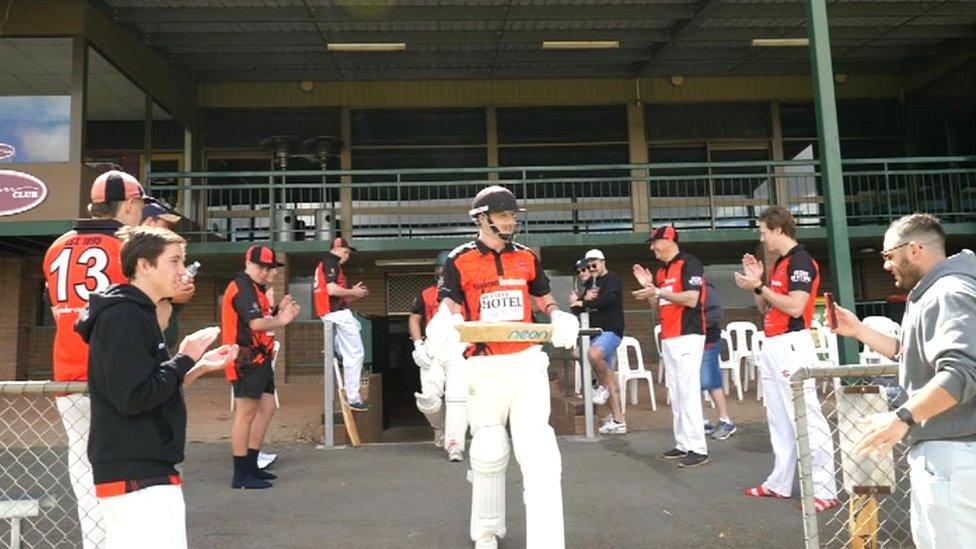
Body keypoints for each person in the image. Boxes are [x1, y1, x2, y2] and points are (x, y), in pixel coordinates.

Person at [424, 185, 579, 549]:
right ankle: (487, 532)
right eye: (504, 215)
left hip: (526, 362)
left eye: (513, 215)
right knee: (489, 448)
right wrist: (444, 323)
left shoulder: (526, 257)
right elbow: (450, 302)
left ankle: (547, 542)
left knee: (540, 451)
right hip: (484, 365)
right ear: (482, 218)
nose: (511, 221)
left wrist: (559, 315)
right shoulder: (459, 259)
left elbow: (541, 296)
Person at [74, 226, 237, 549]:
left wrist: (197, 364)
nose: (183, 270)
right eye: (174, 261)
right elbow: (133, 397)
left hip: (143, 471)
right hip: (137, 474)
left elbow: (148, 385)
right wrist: (185, 357)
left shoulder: (135, 312)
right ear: (144, 266)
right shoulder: (124, 315)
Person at [832, 214, 976, 548]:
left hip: (955, 455)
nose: (885, 265)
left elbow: (963, 372)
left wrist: (902, 417)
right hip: (952, 454)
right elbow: (912, 354)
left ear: (913, 249)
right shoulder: (940, 289)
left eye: (888, 255)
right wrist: (860, 332)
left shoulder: (947, 293)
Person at [42, 170, 150, 549]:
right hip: (114, 371)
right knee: (128, 465)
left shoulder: (57, 246)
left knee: (83, 464)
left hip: (66, 369)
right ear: (130, 204)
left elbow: (56, 305)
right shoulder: (128, 243)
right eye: (138, 207)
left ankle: (97, 543)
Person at [732, 206, 838, 511]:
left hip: (793, 345)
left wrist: (760, 285)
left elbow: (795, 307)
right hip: (775, 344)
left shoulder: (801, 261)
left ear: (778, 230)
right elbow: (766, 309)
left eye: (764, 230)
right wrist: (758, 283)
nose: (761, 236)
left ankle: (825, 489)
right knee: (779, 418)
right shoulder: (781, 263)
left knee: (805, 417)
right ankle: (779, 483)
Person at [222, 245, 300, 489]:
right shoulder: (243, 286)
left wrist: (277, 310)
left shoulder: (255, 288)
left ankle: (252, 465)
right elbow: (255, 323)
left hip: (259, 358)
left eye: (270, 268)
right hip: (245, 359)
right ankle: (241, 474)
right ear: (248, 263)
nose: (267, 273)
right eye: (261, 267)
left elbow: (259, 320)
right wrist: (281, 319)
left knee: (266, 407)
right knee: (245, 414)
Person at [633, 225, 709, 468]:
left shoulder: (690, 263)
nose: (652, 247)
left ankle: (698, 448)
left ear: (668, 241)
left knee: (688, 392)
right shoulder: (661, 271)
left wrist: (658, 291)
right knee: (676, 393)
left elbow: (692, 298)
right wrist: (650, 291)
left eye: (655, 242)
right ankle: (683, 444)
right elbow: (659, 308)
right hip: (669, 336)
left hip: (688, 334)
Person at [410, 250, 470, 461]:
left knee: (458, 398)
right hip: (432, 349)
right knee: (429, 400)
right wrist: (418, 344)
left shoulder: (466, 292)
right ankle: (440, 428)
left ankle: (455, 444)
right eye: (440, 269)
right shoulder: (427, 293)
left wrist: (471, 344)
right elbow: (414, 319)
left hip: (458, 349)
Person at [313, 237, 371, 411]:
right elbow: (331, 290)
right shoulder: (331, 261)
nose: (347, 256)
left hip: (333, 312)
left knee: (353, 335)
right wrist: (352, 291)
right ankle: (353, 398)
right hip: (334, 314)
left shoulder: (330, 263)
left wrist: (354, 294)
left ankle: (336, 350)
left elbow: (338, 295)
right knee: (356, 354)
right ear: (337, 249)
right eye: (346, 252)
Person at [578, 249, 626, 434]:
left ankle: (602, 387)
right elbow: (577, 308)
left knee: (593, 354)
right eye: (588, 266)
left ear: (602, 262)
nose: (591, 268)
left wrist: (584, 302)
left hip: (611, 331)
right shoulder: (590, 284)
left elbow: (607, 299)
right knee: (607, 375)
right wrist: (583, 300)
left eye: (594, 264)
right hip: (594, 333)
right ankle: (618, 420)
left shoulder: (613, 279)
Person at [700, 281, 737, 440]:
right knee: (694, 382)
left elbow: (716, 312)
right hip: (691, 342)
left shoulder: (706, 289)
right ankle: (701, 420)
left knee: (711, 380)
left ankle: (725, 420)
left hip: (707, 341)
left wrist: (696, 324)